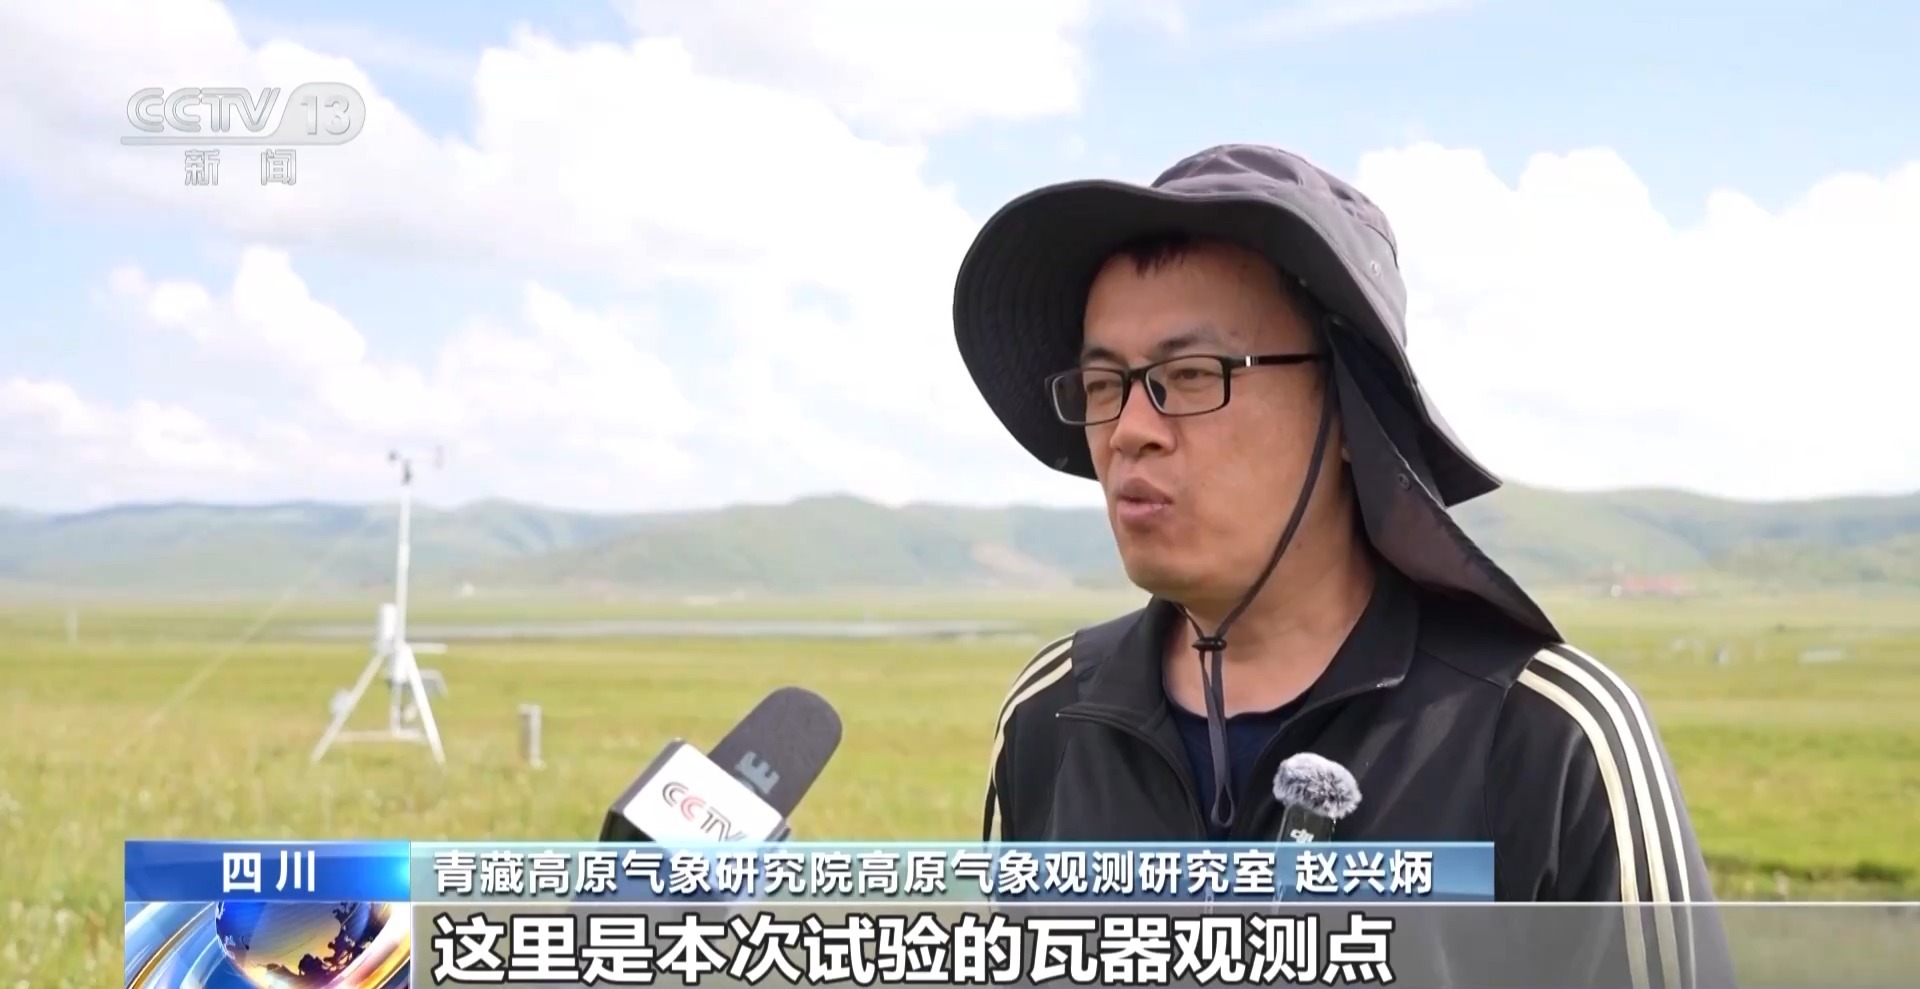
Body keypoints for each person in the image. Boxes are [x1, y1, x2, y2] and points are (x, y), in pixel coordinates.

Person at [953, 144, 1735, 987]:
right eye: (1105, 384)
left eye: (1190, 374)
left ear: (1351, 411)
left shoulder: (1548, 738)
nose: (1130, 430)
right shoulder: (1052, 717)